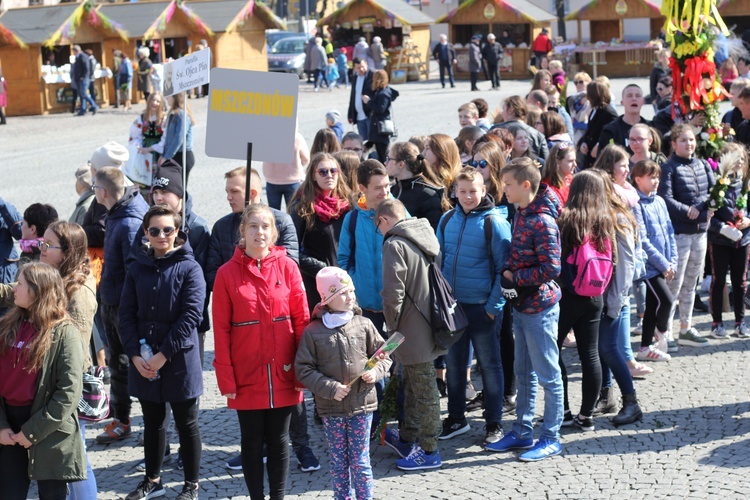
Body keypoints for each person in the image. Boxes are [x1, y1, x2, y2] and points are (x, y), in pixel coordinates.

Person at [212, 203, 310, 500]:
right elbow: (221, 330)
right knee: (251, 442)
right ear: (242, 231)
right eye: (253, 226)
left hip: (284, 370)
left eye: (265, 226)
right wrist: (226, 379)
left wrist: (303, 371)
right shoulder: (226, 274)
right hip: (246, 372)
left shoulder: (288, 267)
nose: (259, 232)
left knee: (280, 441)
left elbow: (302, 320)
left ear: (274, 232)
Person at [120, 205, 205, 500]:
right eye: (154, 230)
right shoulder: (136, 268)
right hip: (143, 358)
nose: (161, 235)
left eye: (167, 230)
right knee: (153, 421)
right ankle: (152, 480)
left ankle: (191, 485)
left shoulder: (190, 268)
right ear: (146, 233)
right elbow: (126, 315)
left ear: (178, 232)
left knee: (186, 423)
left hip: (178, 359)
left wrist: (162, 356)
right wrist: (135, 355)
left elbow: (191, 317)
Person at [487, 157, 563, 461]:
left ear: (525, 185)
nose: (503, 189)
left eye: (508, 184)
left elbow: (551, 268)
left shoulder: (542, 221)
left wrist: (514, 277)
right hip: (521, 306)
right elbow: (518, 255)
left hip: (540, 309)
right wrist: (508, 271)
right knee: (523, 371)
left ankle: (551, 437)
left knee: (548, 374)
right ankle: (522, 430)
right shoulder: (520, 212)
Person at [296, 267, 390, 496]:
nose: (351, 297)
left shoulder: (363, 324)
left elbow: (384, 355)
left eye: (352, 291)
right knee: (339, 463)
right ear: (327, 298)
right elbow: (303, 368)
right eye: (343, 293)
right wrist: (329, 388)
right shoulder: (313, 331)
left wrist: (376, 373)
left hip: (362, 405)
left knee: (360, 460)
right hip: (332, 408)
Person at [436, 166, 511, 444]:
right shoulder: (446, 220)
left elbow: (504, 271)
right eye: (462, 191)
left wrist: (493, 307)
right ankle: (456, 418)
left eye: (473, 191)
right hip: (454, 308)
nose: (467, 196)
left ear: (484, 191)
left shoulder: (494, 223)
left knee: (490, 367)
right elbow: (439, 262)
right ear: (454, 192)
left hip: (483, 308)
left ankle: (494, 423)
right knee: (455, 366)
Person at [0, 262, 85, 499]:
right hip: (9, 424)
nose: (13, 288)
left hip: (49, 428)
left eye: (20, 284)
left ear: (37, 291)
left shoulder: (65, 332)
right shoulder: (8, 324)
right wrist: (1, 425)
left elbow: (68, 392)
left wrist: (32, 433)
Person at [377, 199, 445, 470]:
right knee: (414, 386)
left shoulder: (394, 244)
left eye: (378, 227)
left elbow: (393, 294)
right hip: (430, 323)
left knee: (424, 389)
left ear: (383, 220)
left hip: (409, 329)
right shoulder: (423, 234)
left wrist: (391, 327)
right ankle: (407, 438)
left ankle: (430, 451)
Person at [555, 170, 614, 431]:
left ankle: (564, 410)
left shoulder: (567, 218)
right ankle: (586, 415)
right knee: (590, 354)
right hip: (595, 294)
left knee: (553, 349)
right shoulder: (605, 220)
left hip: (568, 294)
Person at [93, 167, 149, 445]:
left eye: (95, 188)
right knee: (120, 364)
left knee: (126, 364)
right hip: (112, 301)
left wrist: (124, 311)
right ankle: (121, 417)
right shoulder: (118, 213)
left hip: (121, 307)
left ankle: (129, 421)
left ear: (103, 192)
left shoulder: (127, 223)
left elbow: (133, 272)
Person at [590, 169, 644, 426]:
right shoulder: (601, 216)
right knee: (601, 349)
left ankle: (631, 403)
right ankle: (606, 396)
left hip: (615, 296)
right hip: (604, 295)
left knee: (609, 348)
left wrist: (615, 301)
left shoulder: (618, 218)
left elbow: (627, 266)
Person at [657, 124, 714, 350]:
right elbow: (666, 198)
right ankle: (665, 332)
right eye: (683, 140)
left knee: (691, 283)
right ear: (673, 144)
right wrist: (688, 210)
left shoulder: (702, 165)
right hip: (680, 233)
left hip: (700, 232)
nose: (688, 144)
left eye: (691, 140)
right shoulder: (669, 167)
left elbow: (712, 191)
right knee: (674, 284)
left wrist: (702, 207)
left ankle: (686, 327)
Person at [288, 152, 352, 312]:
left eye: (333, 171)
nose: (329, 175)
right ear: (313, 176)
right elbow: (291, 250)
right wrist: (323, 269)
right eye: (323, 171)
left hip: (346, 280)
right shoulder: (302, 207)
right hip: (317, 282)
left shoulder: (347, 205)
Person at [631, 160, 676, 362]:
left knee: (651, 306)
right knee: (666, 300)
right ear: (638, 179)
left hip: (664, 262)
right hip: (650, 266)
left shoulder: (659, 201)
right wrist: (662, 264)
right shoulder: (637, 205)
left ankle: (644, 347)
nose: (656, 181)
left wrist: (672, 260)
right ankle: (661, 330)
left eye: (657, 176)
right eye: (651, 177)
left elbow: (669, 231)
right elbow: (643, 240)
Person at [706, 143, 750, 338]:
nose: (739, 162)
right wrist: (721, 228)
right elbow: (709, 213)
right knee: (719, 280)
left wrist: (748, 221)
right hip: (720, 240)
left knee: (740, 282)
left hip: (743, 239)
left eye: (742, 159)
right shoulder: (717, 183)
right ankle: (717, 323)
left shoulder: (747, 183)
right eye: (735, 158)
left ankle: (740, 322)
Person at [386, 141, 447, 229]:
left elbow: (434, 232)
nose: (385, 163)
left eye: (389, 159)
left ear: (401, 164)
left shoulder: (427, 195)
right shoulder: (394, 189)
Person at [263, 127, 310, 211]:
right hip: (293, 179)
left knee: (273, 213)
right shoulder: (297, 137)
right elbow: (306, 158)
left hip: (272, 179)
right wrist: (297, 165)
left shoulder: (267, 135)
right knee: (293, 212)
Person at [126, 92, 166, 190]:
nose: (155, 103)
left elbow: (166, 138)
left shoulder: (163, 118)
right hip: (144, 150)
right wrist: (139, 146)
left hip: (158, 151)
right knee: (142, 174)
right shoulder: (142, 118)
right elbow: (135, 135)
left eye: (158, 101)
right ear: (149, 101)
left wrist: (150, 149)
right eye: (153, 100)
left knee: (157, 176)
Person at [597, 84, 649, 157]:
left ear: (643, 102)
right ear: (622, 102)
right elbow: (602, 161)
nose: (634, 98)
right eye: (629, 96)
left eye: (637, 96)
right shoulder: (610, 131)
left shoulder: (651, 128)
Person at [493, 96, 548, 162]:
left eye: (503, 110)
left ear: (511, 110)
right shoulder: (538, 135)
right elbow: (547, 162)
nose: (502, 113)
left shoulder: (495, 130)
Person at [579, 81, 618, 169]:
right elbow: (590, 130)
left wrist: (599, 145)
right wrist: (584, 142)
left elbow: (614, 132)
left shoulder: (608, 111)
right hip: (589, 156)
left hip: (600, 158)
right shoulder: (594, 110)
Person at [158, 93, 195, 184]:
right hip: (176, 156)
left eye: (169, 96)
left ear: (176, 97)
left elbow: (179, 138)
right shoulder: (174, 113)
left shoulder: (181, 114)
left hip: (182, 155)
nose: (166, 98)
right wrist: (163, 154)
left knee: (179, 190)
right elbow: (169, 139)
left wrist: (166, 156)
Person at [365, 69, 399, 162]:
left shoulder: (383, 93)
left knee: (383, 155)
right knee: (381, 154)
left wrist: (369, 102)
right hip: (378, 127)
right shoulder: (381, 91)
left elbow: (380, 109)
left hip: (381, 127)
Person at [422, 133, 462, 202]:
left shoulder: (459, 180)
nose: (423, 153)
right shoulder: (425, 175)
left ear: (440, 151)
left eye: (427, 148)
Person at [540, 142, 576, 206]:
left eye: (575, 160)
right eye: (570, 161)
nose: (575, 165)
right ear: (558, 162)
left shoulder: (571, 179)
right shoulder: (547, 188)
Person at [348, 58, 375, 140]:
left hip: (370, 115)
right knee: (363, 142)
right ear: (354, 68)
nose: (361, 69)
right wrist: (350, 114)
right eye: (358, 68)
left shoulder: (373, 75)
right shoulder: (355, 77)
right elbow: (353, 96)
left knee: (372, 141)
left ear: (366, 63)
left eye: (362, 66)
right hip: (359, 116)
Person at [72, 45, 97, 116]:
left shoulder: (82, 56)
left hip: (84, 79)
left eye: (73, 51)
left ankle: (94, 105)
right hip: (80, 79)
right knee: (81, 95)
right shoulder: (79, 57)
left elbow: (86, 68)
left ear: (76, 51)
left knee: (84, 94)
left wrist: (82, 76)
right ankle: (82, 110)